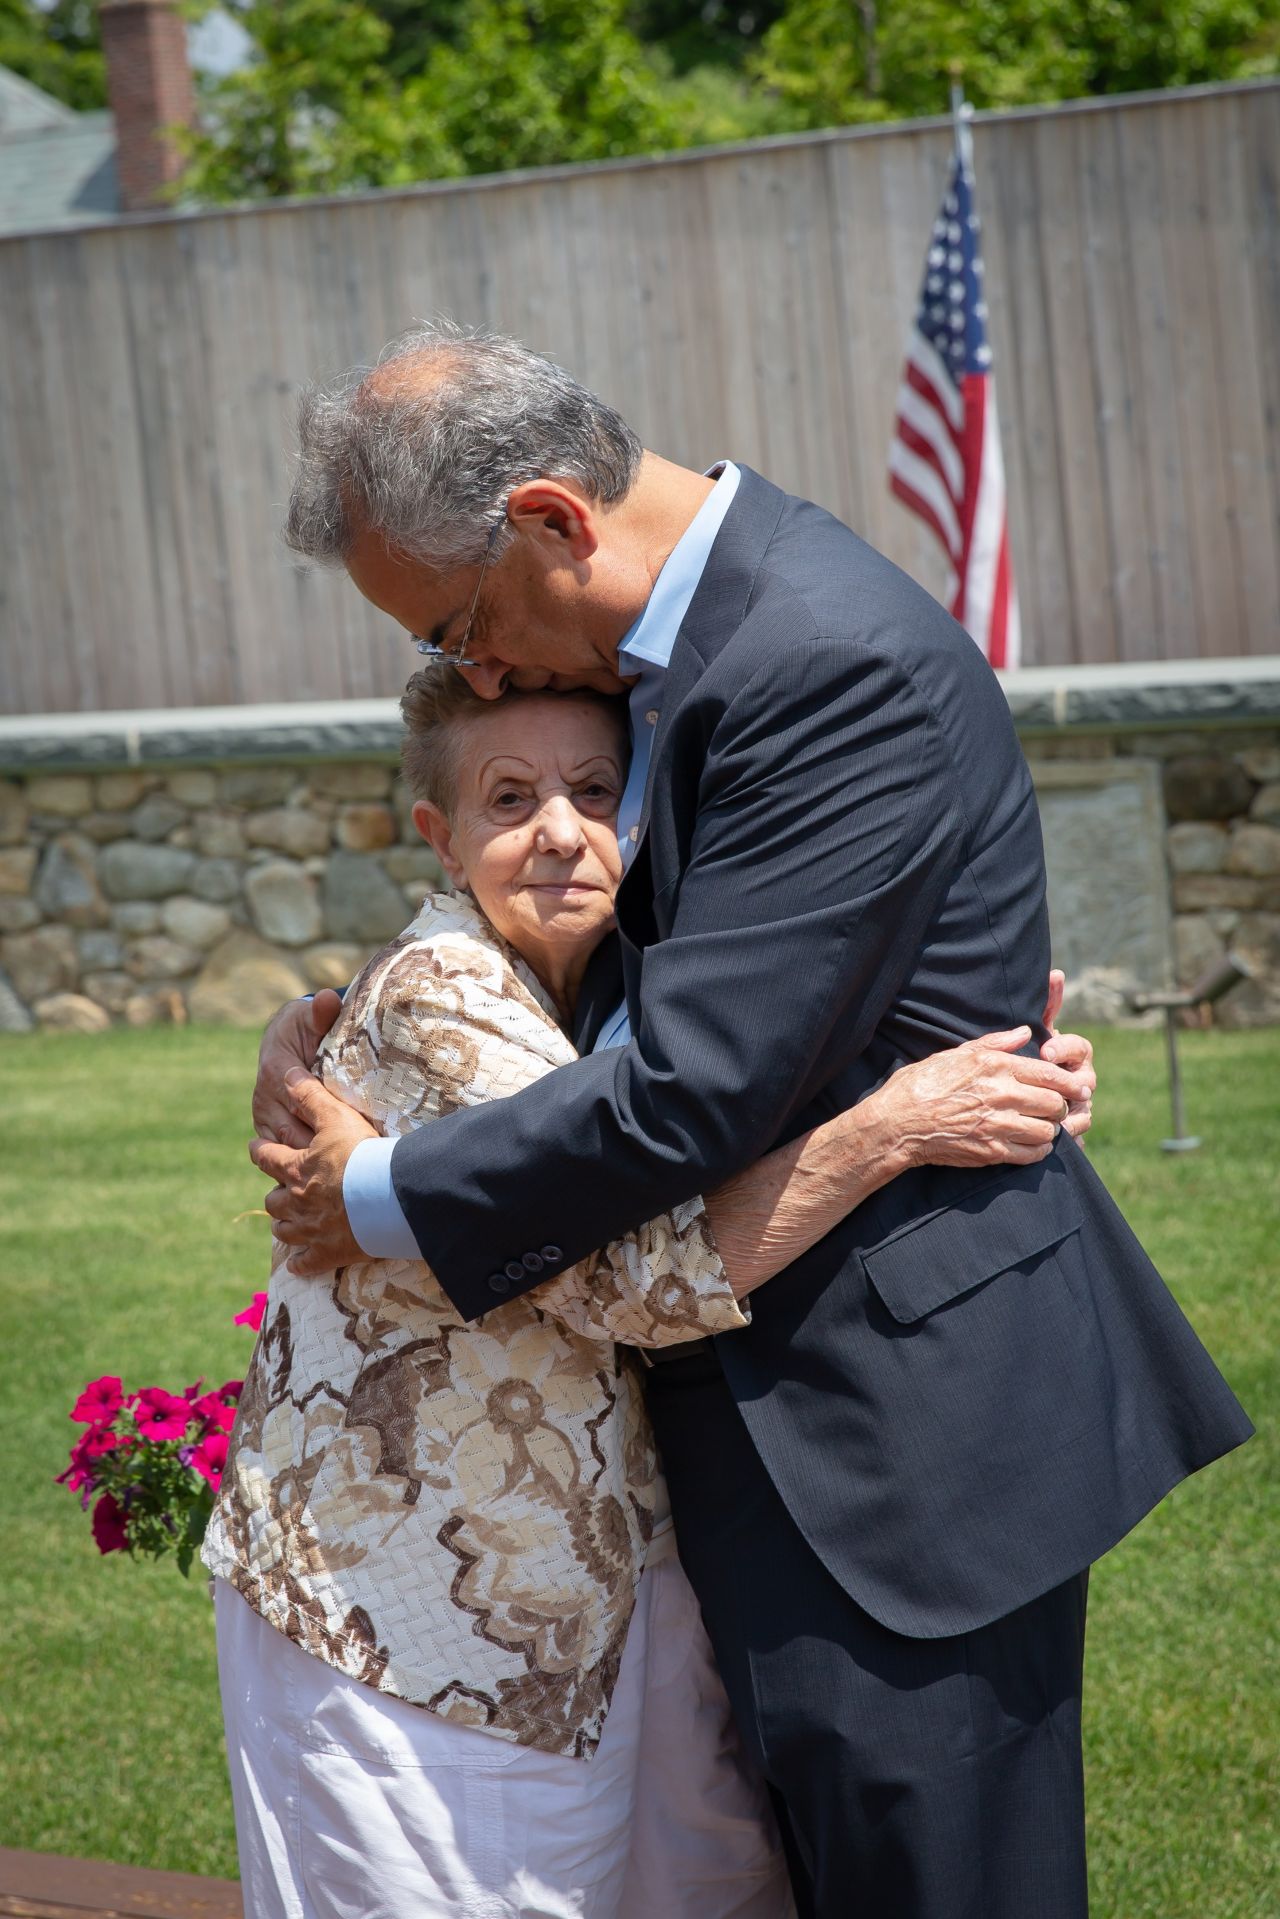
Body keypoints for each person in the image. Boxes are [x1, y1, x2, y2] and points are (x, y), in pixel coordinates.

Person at [251, 322, 1253, 1918]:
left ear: (554, 523)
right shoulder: (668, 655)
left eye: (463, 623)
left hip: (897, 1445)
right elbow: (574, 948)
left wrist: (375, 1188)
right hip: (753, 1403)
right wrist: (325, 1034)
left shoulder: (816, 659)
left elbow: (687, 1088)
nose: (479, 672)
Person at [212, 672, 1086, 1919]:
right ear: (438, 837)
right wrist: (899, 1121)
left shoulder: (624, 984)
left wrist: (1007, 1066)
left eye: (592, 789)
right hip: (405, 1617)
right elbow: (639, 1278)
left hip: (574, 1598)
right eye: (507, 798)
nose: (559, 829)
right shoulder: (441, 995)